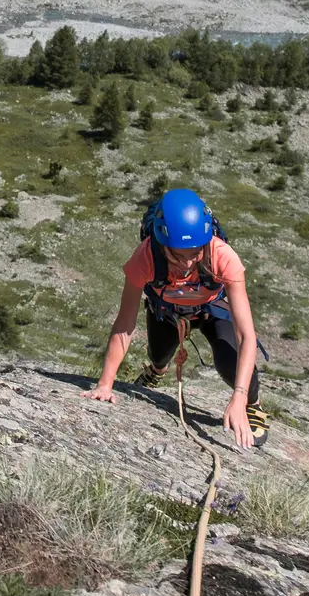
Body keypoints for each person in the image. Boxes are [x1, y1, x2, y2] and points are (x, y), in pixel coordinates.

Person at [82, 187, 268, 448]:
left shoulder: (222, 256)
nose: (189, 262)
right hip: (166, 310)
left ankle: (253, 404)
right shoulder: (145, 258)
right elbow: (125, 324)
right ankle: (157, 370)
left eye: (196, 252)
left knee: (230, 361)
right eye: (179, 255)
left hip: (212, 309)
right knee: (158, 354)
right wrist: (105, 384)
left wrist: (238, 397)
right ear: (162, 243)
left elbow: (246, 334)